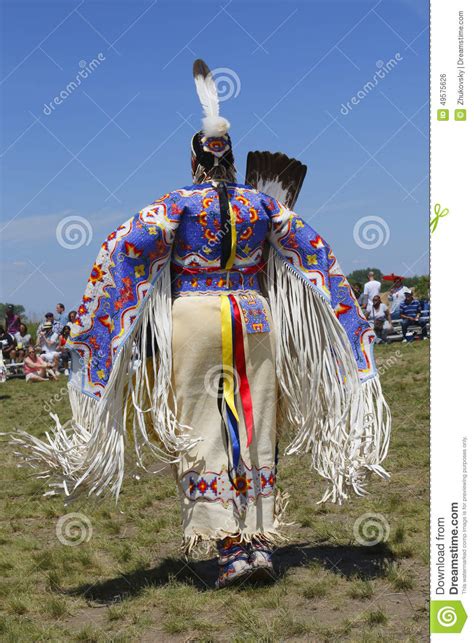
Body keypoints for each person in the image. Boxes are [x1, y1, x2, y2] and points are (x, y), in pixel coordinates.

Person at [13, 60, 391, 589]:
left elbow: (122, 256)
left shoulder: (175, 205)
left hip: (193, 318)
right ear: (231, 159)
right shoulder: (263, 206)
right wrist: (350, 335)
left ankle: (231, 546)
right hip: (256, 318)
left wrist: (92, 331)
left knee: (204, 426)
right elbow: (317, 257)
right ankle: (257, 541)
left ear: (194, 161)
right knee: (254, 422)